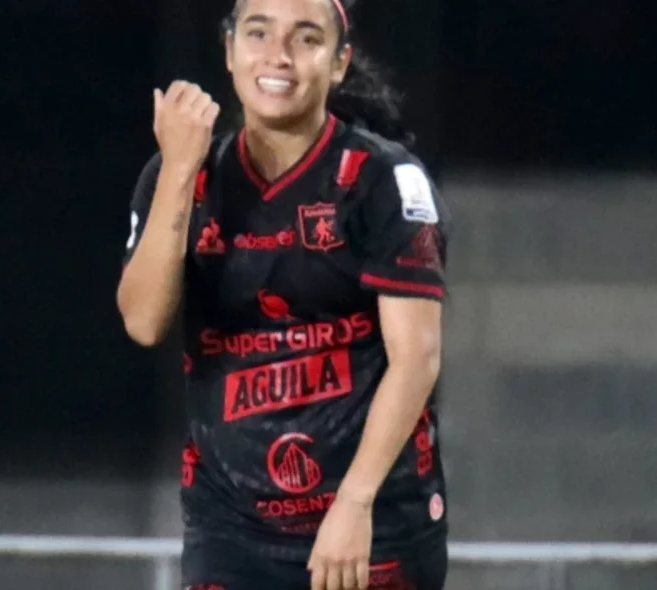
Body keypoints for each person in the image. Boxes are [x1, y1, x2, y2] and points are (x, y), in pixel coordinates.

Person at [116, 0, 448, 588]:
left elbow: (417, 355)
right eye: (259, 32)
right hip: (231, 530)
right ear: (229, 51)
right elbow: (143, 322)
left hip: (370, 523)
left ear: (339, 62)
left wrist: (354, 504)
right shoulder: (179, 176)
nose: (279, 56)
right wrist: (178, 171)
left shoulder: (386, 182)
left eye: (306, 38)